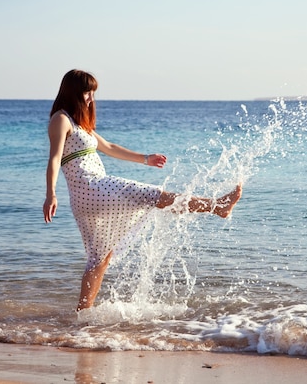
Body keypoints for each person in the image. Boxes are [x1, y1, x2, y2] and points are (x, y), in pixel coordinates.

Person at [43, 69, 242, 312]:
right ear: (73, 91)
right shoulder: (60, 120)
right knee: (154, 196)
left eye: (93, 93)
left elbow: (109, 147)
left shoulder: (78, 123)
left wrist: (145, 159)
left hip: (87, 196)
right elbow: (54, 159)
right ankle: (216, 206)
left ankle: (82, 315)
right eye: (87, 92)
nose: (91, 98)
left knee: (100, 258)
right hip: (93, 187)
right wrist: (51, 194)